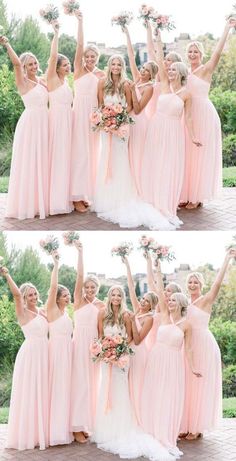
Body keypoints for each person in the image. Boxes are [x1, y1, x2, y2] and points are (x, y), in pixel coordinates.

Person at [92, 54, 177, 230]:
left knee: (121, 159)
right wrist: (104, 120)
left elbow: (131, 107)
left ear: (122, 67)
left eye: (118, 64)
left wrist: (119, 118)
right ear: (109, 66)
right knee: (105, 157)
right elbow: (99, 105)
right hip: (105, 129)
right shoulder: (101, 83)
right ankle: (105, 198)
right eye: (113, 64)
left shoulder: (127, 84)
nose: (115, 67)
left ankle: (121, 196)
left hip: (121, 127)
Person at [92, 285, 174, 461]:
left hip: (121, 359)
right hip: (106, 360)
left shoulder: (127, 315)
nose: (116, 297)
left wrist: (119, 350)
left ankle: (121, 427)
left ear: (122, 298)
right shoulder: (101, 314)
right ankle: (105, 428)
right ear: (109, 296)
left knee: (120, 390)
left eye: (119, 295)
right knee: (105, 388)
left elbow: (130, 337)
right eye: (113, 294)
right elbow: (100, 335)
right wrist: (103, 351)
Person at [141, 30, 201, 226]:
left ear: (182, 73)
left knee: (168, 166)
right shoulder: (164, 85)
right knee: (155, 163)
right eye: (170, 69)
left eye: (174, 69)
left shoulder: (186, 94)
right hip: (156, 128)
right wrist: (158, 38)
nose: (170, 71)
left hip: (174, 132)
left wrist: (192, 137)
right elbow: (158, 59)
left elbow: (189, 117)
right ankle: (151, 198)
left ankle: (165, 202)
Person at [141, 275, 202, 457]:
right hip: (156, 359)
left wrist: (192, 367)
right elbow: (159, 290)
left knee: (168, 396)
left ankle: (165, 433)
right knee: (154, 393)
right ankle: (151, 429)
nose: (170, 302)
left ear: (182, 304)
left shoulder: (187, 325)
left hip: (173, 363)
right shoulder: (165, 317)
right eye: (169, 300)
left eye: (174, 300)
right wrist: (157, 268)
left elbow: (189, 349)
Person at [180, 248, 236, 439]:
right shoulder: (184, 303)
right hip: (187, 346)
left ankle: (197, 427)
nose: (192, 284)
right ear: (186, 285)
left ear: (201, 285)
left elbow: (218, 283)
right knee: (187, 384)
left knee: (199, 384)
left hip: (203, 344)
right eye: (190, 281)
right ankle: (187, 424)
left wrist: (227, 259)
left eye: (196, 282)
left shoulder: (206, 300)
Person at [180, 17, 236, 209]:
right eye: (190, 51)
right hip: (187, 115)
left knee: (200, 154)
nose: (193, 54)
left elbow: (218, 52)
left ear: (201, 54)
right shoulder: (184, 72)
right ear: (186, 54)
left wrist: (227, 28)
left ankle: (197, 196)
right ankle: (187, 193)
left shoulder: (206, 69)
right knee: (187, 154)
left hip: (204, 113)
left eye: (196, 51)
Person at [0, 37, 49, 220]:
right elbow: (15, 64)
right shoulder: (23, 82)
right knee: (29, 162)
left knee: (42, 162)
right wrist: (7, 44)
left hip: (45, 123)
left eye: (35, 62)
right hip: (30, 124)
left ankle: (40, 202)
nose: (34, 66)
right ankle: (26, 204)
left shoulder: (43, 81)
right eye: (29, 64)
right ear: (25, 67)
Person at [0, 268, 48, 450]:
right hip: (30, 355)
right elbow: (16, 295)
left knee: (42, 393)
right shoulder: (22, 312)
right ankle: (27, 435)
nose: (34, 297)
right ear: (25, 298)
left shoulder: (43, 311)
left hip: (44, 354)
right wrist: (6, 274)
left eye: (35, 293)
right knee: (30, 393)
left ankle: (40, 432)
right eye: (29, 295)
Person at [70, 11, 105, 213]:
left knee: (93, 153)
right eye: (87, 56)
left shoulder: (101, 75)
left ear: (97, 58)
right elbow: (79, 45)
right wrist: (81, 22)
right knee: (80, 154)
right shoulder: (79, 69)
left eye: (93, 56)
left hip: (93, 116)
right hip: (79, 113)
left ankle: (87, 194)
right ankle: (76, 197)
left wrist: (102, 117)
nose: (90, 58)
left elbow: (101, 98)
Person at [70, 241, 104, 443]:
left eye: (93, 287)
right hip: (78, 344)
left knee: (92, 385)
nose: (90, 289)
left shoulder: (101, 305)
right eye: (87, 287)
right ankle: (76, 427)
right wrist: (81, 253)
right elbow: (79, 276)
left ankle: (87, 424)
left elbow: (100, 330)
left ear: (97, 288)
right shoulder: (78, 300)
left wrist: (100, 349)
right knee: (80, 384)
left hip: (93, 347)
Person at [122, 25, 158, 195]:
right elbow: (130, 57)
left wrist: (132, 91)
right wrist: (128, 33)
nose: (143, 71)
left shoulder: (149, 88)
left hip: (139, 122)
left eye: (147, 71)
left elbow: (137, 110)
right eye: (143, 68)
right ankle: (128, 187)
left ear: (152, 75)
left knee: (137, 155)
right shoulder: (137, 80)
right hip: (128, 122)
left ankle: (138, 189)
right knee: (127, 154)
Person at [122, 255, 158, 425]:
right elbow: (130, 288)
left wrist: (131, 322)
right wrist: (128, 264)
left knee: (137, 385)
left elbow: (137, 340)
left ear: (152, 305)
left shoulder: (149, 318)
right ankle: (128, 417)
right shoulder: (137, 310)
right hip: (128, 353)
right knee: (127, 385)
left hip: (139, 353)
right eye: (143, 299)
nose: (143, 302)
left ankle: (138, 420)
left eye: (147, 301)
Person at [45, 253, 73, 446]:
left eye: (68, 294)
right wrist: (56, 264)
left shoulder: (66, 312)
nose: (68, 297)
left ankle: (63, 428)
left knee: (65, 390)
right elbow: (53, 286)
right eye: (65, 295)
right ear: (57, 298)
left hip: (67, 352)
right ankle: (53, 431)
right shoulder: (52, 310)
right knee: (56, 389)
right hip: (55, 353)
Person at [47, 22, 73, 215]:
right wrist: (57, 33)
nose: (68, 67)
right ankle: (54, 201)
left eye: (68, 64)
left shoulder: (66, 82)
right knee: (57, 158)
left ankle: (63, 198)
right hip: (56, 122)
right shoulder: (52, 79)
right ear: (57, 67)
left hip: (67, 122)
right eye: (65, 65)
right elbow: (53, 56)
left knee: (65, 159)